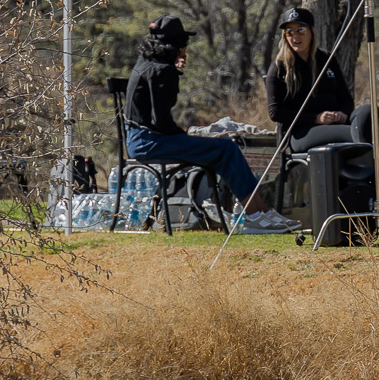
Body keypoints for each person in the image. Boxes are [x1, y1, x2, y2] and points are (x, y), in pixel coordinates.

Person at [126, 15, 297, 233]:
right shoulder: (163, 71)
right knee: (226, 148)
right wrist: (184, 135)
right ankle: (256, 215)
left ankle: (261, 212)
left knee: (223, 150)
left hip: (139, 139)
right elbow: (160, 120)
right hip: (150, 142)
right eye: (185, 44)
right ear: (178, 45)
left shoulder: (146, 62)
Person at [265, 6, 372, 152]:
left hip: (336, 124)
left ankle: (361, 155)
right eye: (290, 32)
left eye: (301, 31)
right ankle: (365, 154)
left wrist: (342, 113)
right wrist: (316, 118)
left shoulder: (326, 59)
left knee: (368, 111)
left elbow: (346, 99)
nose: (295, 37)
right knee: (357, 135)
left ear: (311, 32)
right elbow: (275, 112)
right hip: (301, 132)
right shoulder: (279, 67)